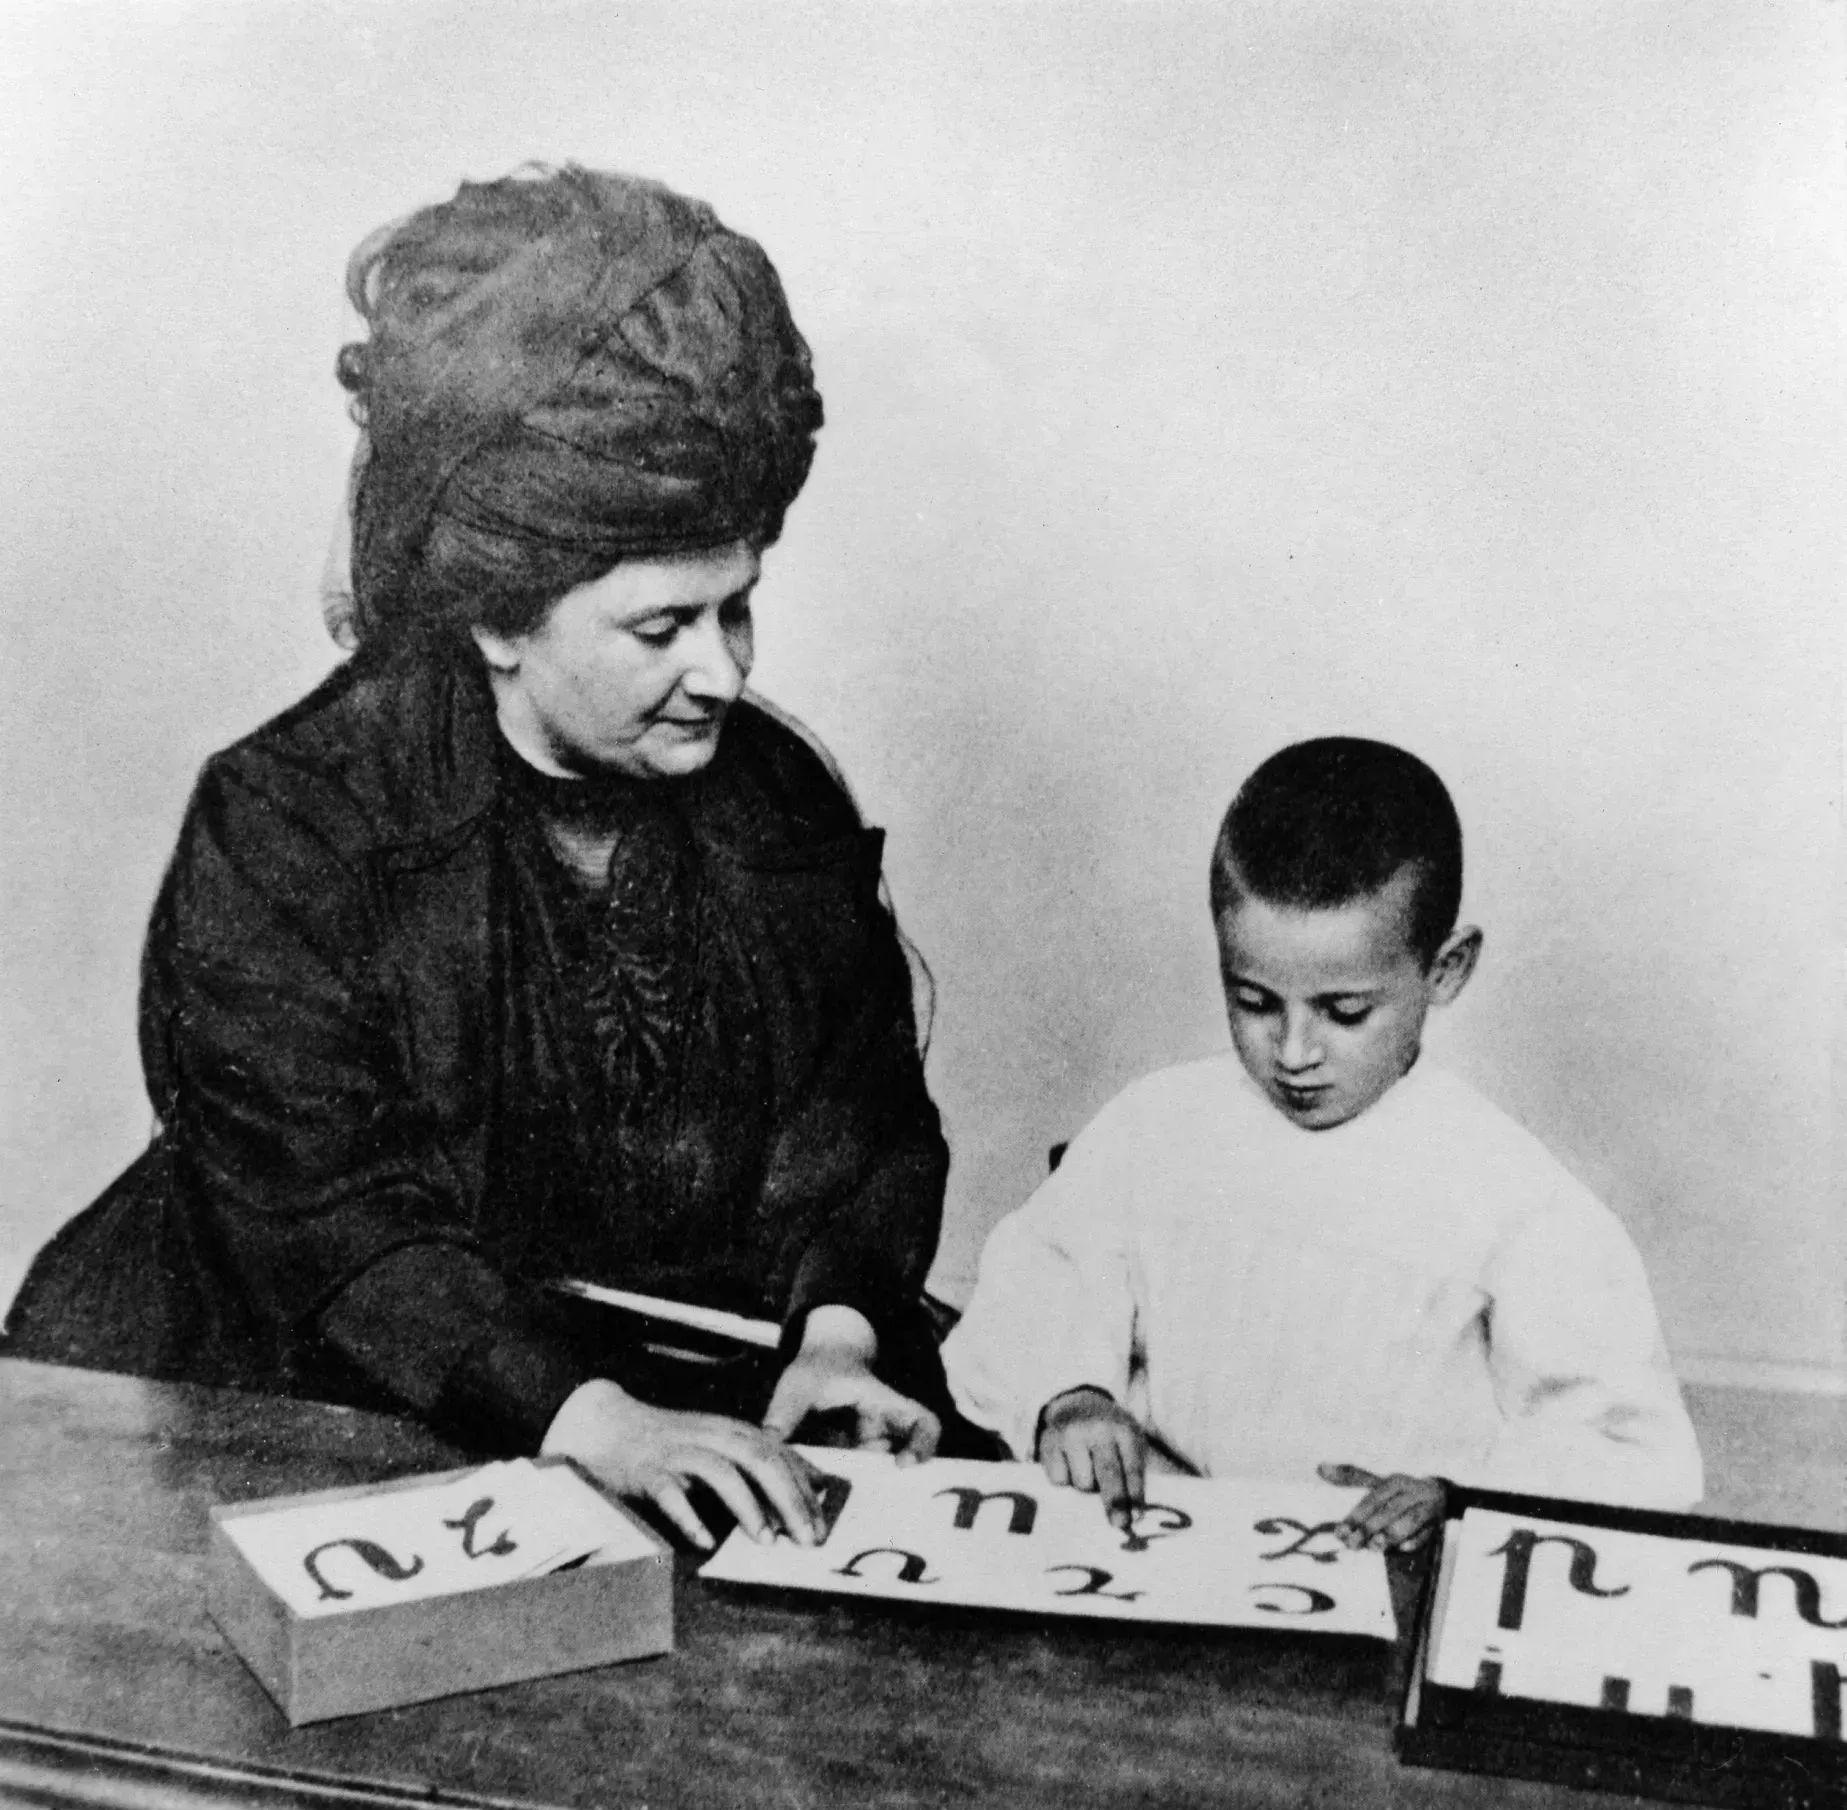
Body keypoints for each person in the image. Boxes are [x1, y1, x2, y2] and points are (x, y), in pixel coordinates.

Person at [5, 162, 972, 1556]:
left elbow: (862, 1129)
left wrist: (833, 1338)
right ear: (499, 621)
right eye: (662, 628)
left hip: (651, 1422)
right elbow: (327, 1218)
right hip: (265, 1402)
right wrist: (594, 1422)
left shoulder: (774, 806)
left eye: (737, 609)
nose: (723, 672)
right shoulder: (290, 822)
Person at [943, 736, 1703, 1551]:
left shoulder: (1511, 1195)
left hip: (1379, 1567)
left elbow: (1626, 1444)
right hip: (1152, 1544)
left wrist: (1456, 1497)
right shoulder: (1154, 1128)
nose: (1294, 1052)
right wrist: (1071, 1398)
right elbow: (1035, 1285)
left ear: (1445, 970)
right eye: (1253, 1001)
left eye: (1344, 1012)